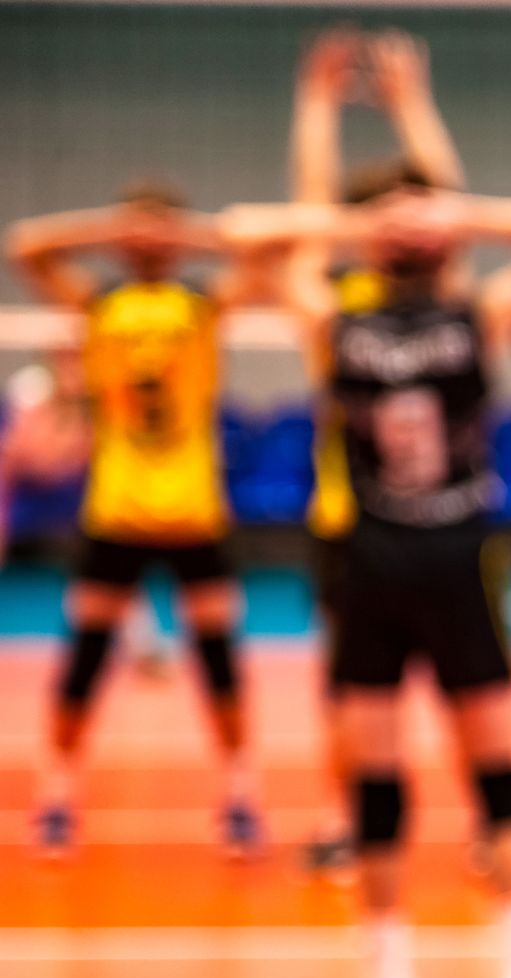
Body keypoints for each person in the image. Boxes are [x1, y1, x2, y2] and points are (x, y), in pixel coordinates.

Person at [222, 180, 511, 978]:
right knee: (377, 788)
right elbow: (244, 230)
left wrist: (455, 213)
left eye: (418, 218)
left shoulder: (480, 315)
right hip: (372, 565)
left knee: (501, 776)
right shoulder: (336, 322)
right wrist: (367, 225)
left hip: (462, 561)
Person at [7, 182, 266, 860]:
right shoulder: (99, 305)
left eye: (160, 232)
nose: (149, 240)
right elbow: (26, 248)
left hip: (193, 513)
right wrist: (117, 226)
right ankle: (57, 792)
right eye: (139, 231)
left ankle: (240, 791)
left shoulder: (203, 305)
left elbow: (262, 258)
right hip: (116, 511)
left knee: (219, 664)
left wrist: (183, 231)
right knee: (86, 659)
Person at [289, 27, 469, 879]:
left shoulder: (447, 300)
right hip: (349, 520)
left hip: (445, 524)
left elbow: (449, 203)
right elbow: (306, 212)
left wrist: (409, 106)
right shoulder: (338, 305)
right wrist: (317, 107)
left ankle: (492, 817)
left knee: (476, 694)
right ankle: (345, 817)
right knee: (353, 695)